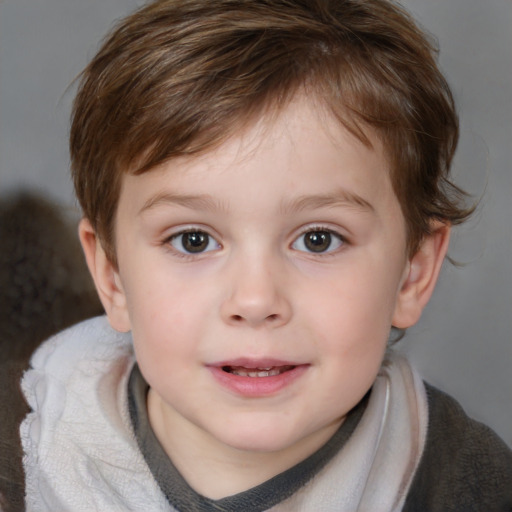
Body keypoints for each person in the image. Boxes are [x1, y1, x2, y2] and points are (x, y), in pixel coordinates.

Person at [10, 0, 512, 510]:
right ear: (111, 275)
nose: (255, 300)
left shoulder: (475, 488)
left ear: (412, 273)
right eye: (193, 240)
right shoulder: (21, 461)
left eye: (319, 239)